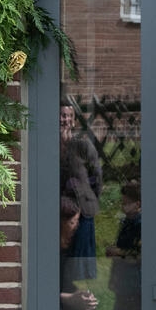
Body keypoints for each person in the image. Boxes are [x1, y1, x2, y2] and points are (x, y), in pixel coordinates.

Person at [59, 102, 101, 282]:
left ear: (74, 121)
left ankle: (82, 299)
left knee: (80, 268)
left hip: (83, 210)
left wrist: (86, 197)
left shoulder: (83, 145)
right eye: (62, 115)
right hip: (59, 210)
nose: (66, 120)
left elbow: (97, 176)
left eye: (69, 116)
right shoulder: (50, 146)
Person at [106, 180, 142, 310]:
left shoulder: (139, 224)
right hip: (124, 281)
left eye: (126, 203)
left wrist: (118, 252)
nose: (123, 207)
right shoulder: (127, 222)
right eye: (123, 203)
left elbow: (139, 254)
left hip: (134, 282)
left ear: (138, 204)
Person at [60, 196, 97, 310]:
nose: (77, 226)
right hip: (53, 303)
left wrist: (80, 295)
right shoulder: (47, 250)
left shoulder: (69, 246)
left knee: (88, 307)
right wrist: (71, 299)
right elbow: (41, 293)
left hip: (63, 296)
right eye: (73, 222)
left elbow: (65, 283)